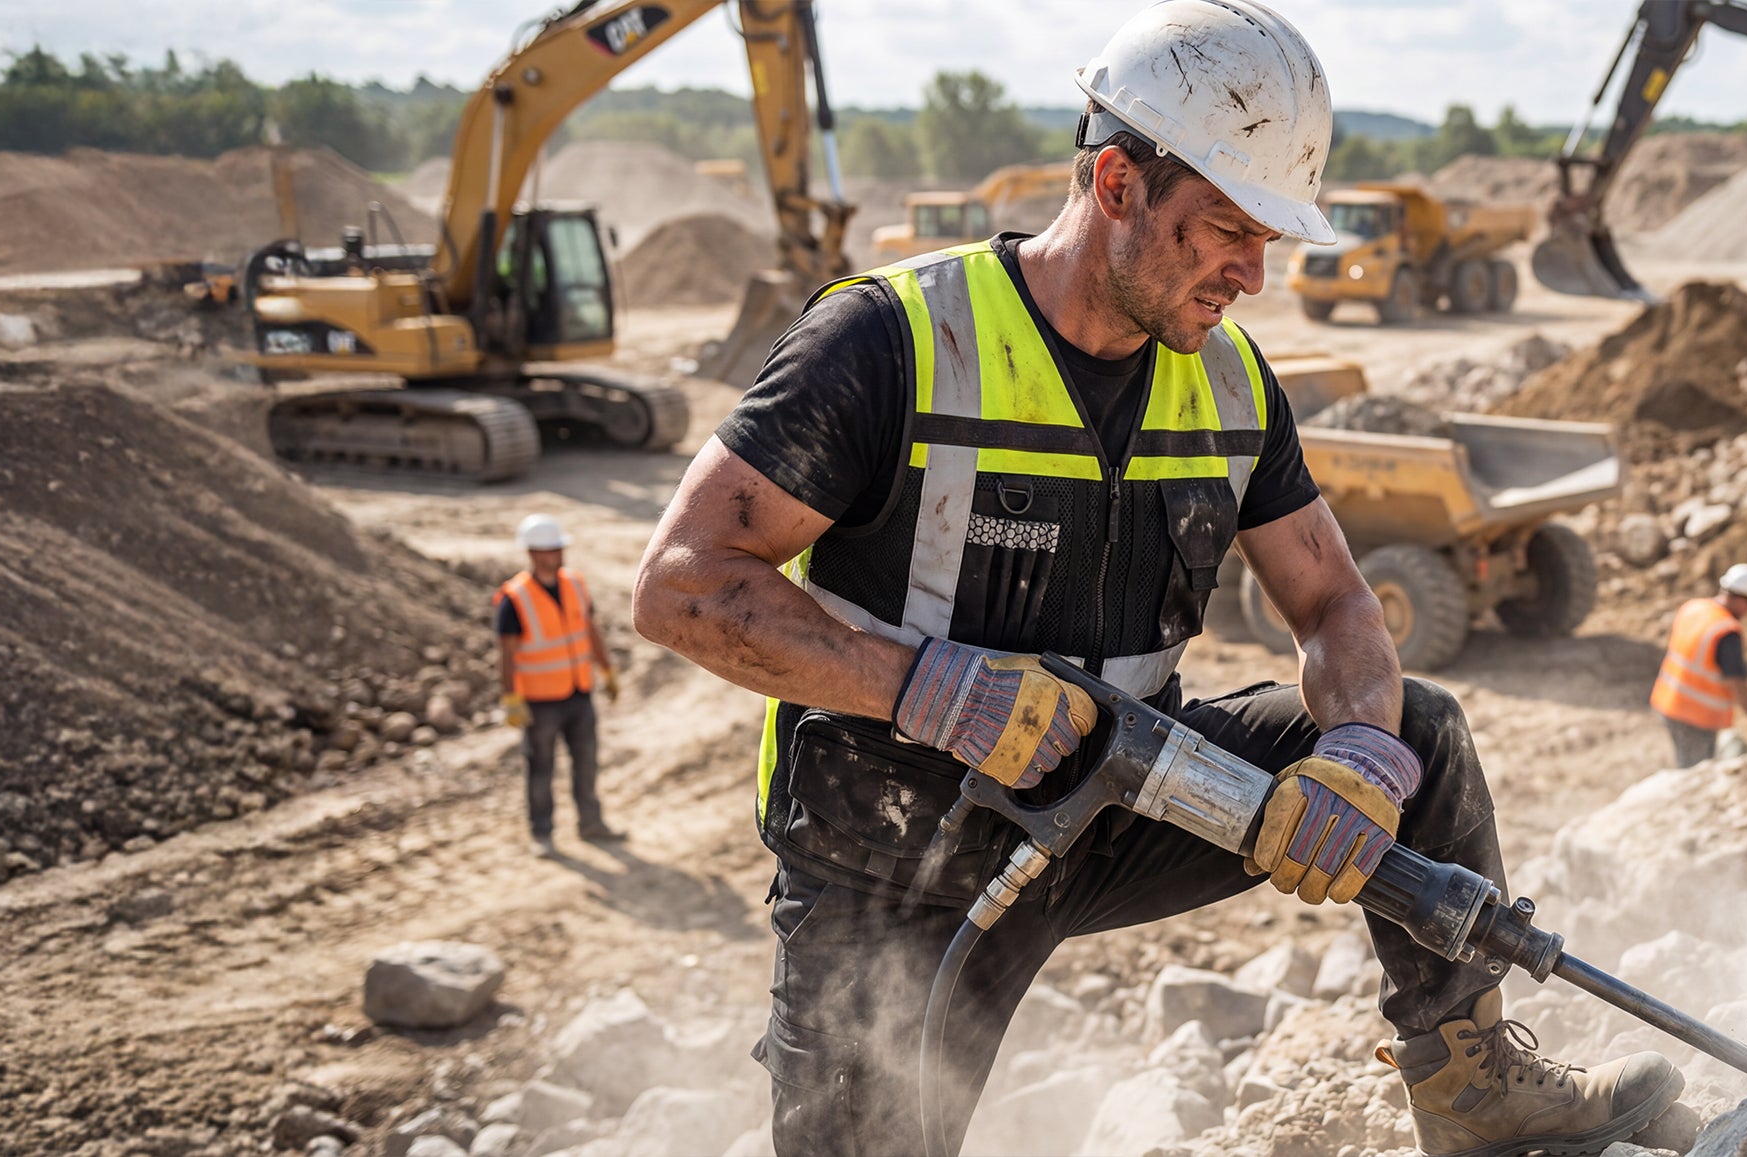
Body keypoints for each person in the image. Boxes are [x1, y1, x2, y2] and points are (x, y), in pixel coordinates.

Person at [629, 5, 1681, 1155]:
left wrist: (1360, 759)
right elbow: (684, 583)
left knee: (1418, 729)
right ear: (1118, 181)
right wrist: (930, 689)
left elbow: (1335, 603)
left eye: (1270, 238)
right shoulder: (891, 339)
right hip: (898, 844)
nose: (1257, 274)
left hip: (1119, 799)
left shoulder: (1227, 381)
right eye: (1229, 228)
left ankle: (1473, 1085)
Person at [494, 513, 621, 854]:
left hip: (579, 692)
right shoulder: (514, 598)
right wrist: (510, 697)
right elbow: (506, 653)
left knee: (586, 763)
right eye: (551, 549)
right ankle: (542, 834)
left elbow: (590, 629)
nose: (558, 554)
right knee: (541, 769)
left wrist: (606, 670)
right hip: (540, 701)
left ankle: (591, 823)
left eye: (559, 548)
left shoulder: (575, 583)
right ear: (533, 553)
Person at [1650, 565, 1747, 768]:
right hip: (1695, 717)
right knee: (1693, 775)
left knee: (1683, 764)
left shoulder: (1693, 607)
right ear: (1746, 601)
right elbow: (1737, 685)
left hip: (1668, 702)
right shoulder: (1727, 632)